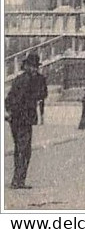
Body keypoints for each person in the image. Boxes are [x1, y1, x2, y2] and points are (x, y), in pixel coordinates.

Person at [5, 53, 42, 188]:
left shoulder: (19, 79)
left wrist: (9, 112)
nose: (34, 69)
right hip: (23, 118)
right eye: (32, 67)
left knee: (20, 148)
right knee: (24, 150)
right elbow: (42, 94)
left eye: (35, 67)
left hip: (15, 118)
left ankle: (18, 179)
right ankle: (18, 180)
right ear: (27, 66)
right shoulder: (32, 80)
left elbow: (9, 98)